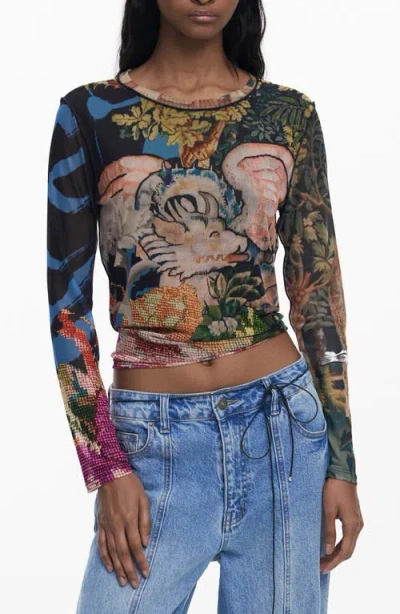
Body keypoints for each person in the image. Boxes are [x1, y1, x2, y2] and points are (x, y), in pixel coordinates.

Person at [46, 1, 364, 612]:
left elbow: (317, 294)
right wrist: (105, 466)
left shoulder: (288, 115)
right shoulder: (89, 113)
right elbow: (67, 308)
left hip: (283, 433)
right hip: (153, 443)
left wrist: (342, 464)